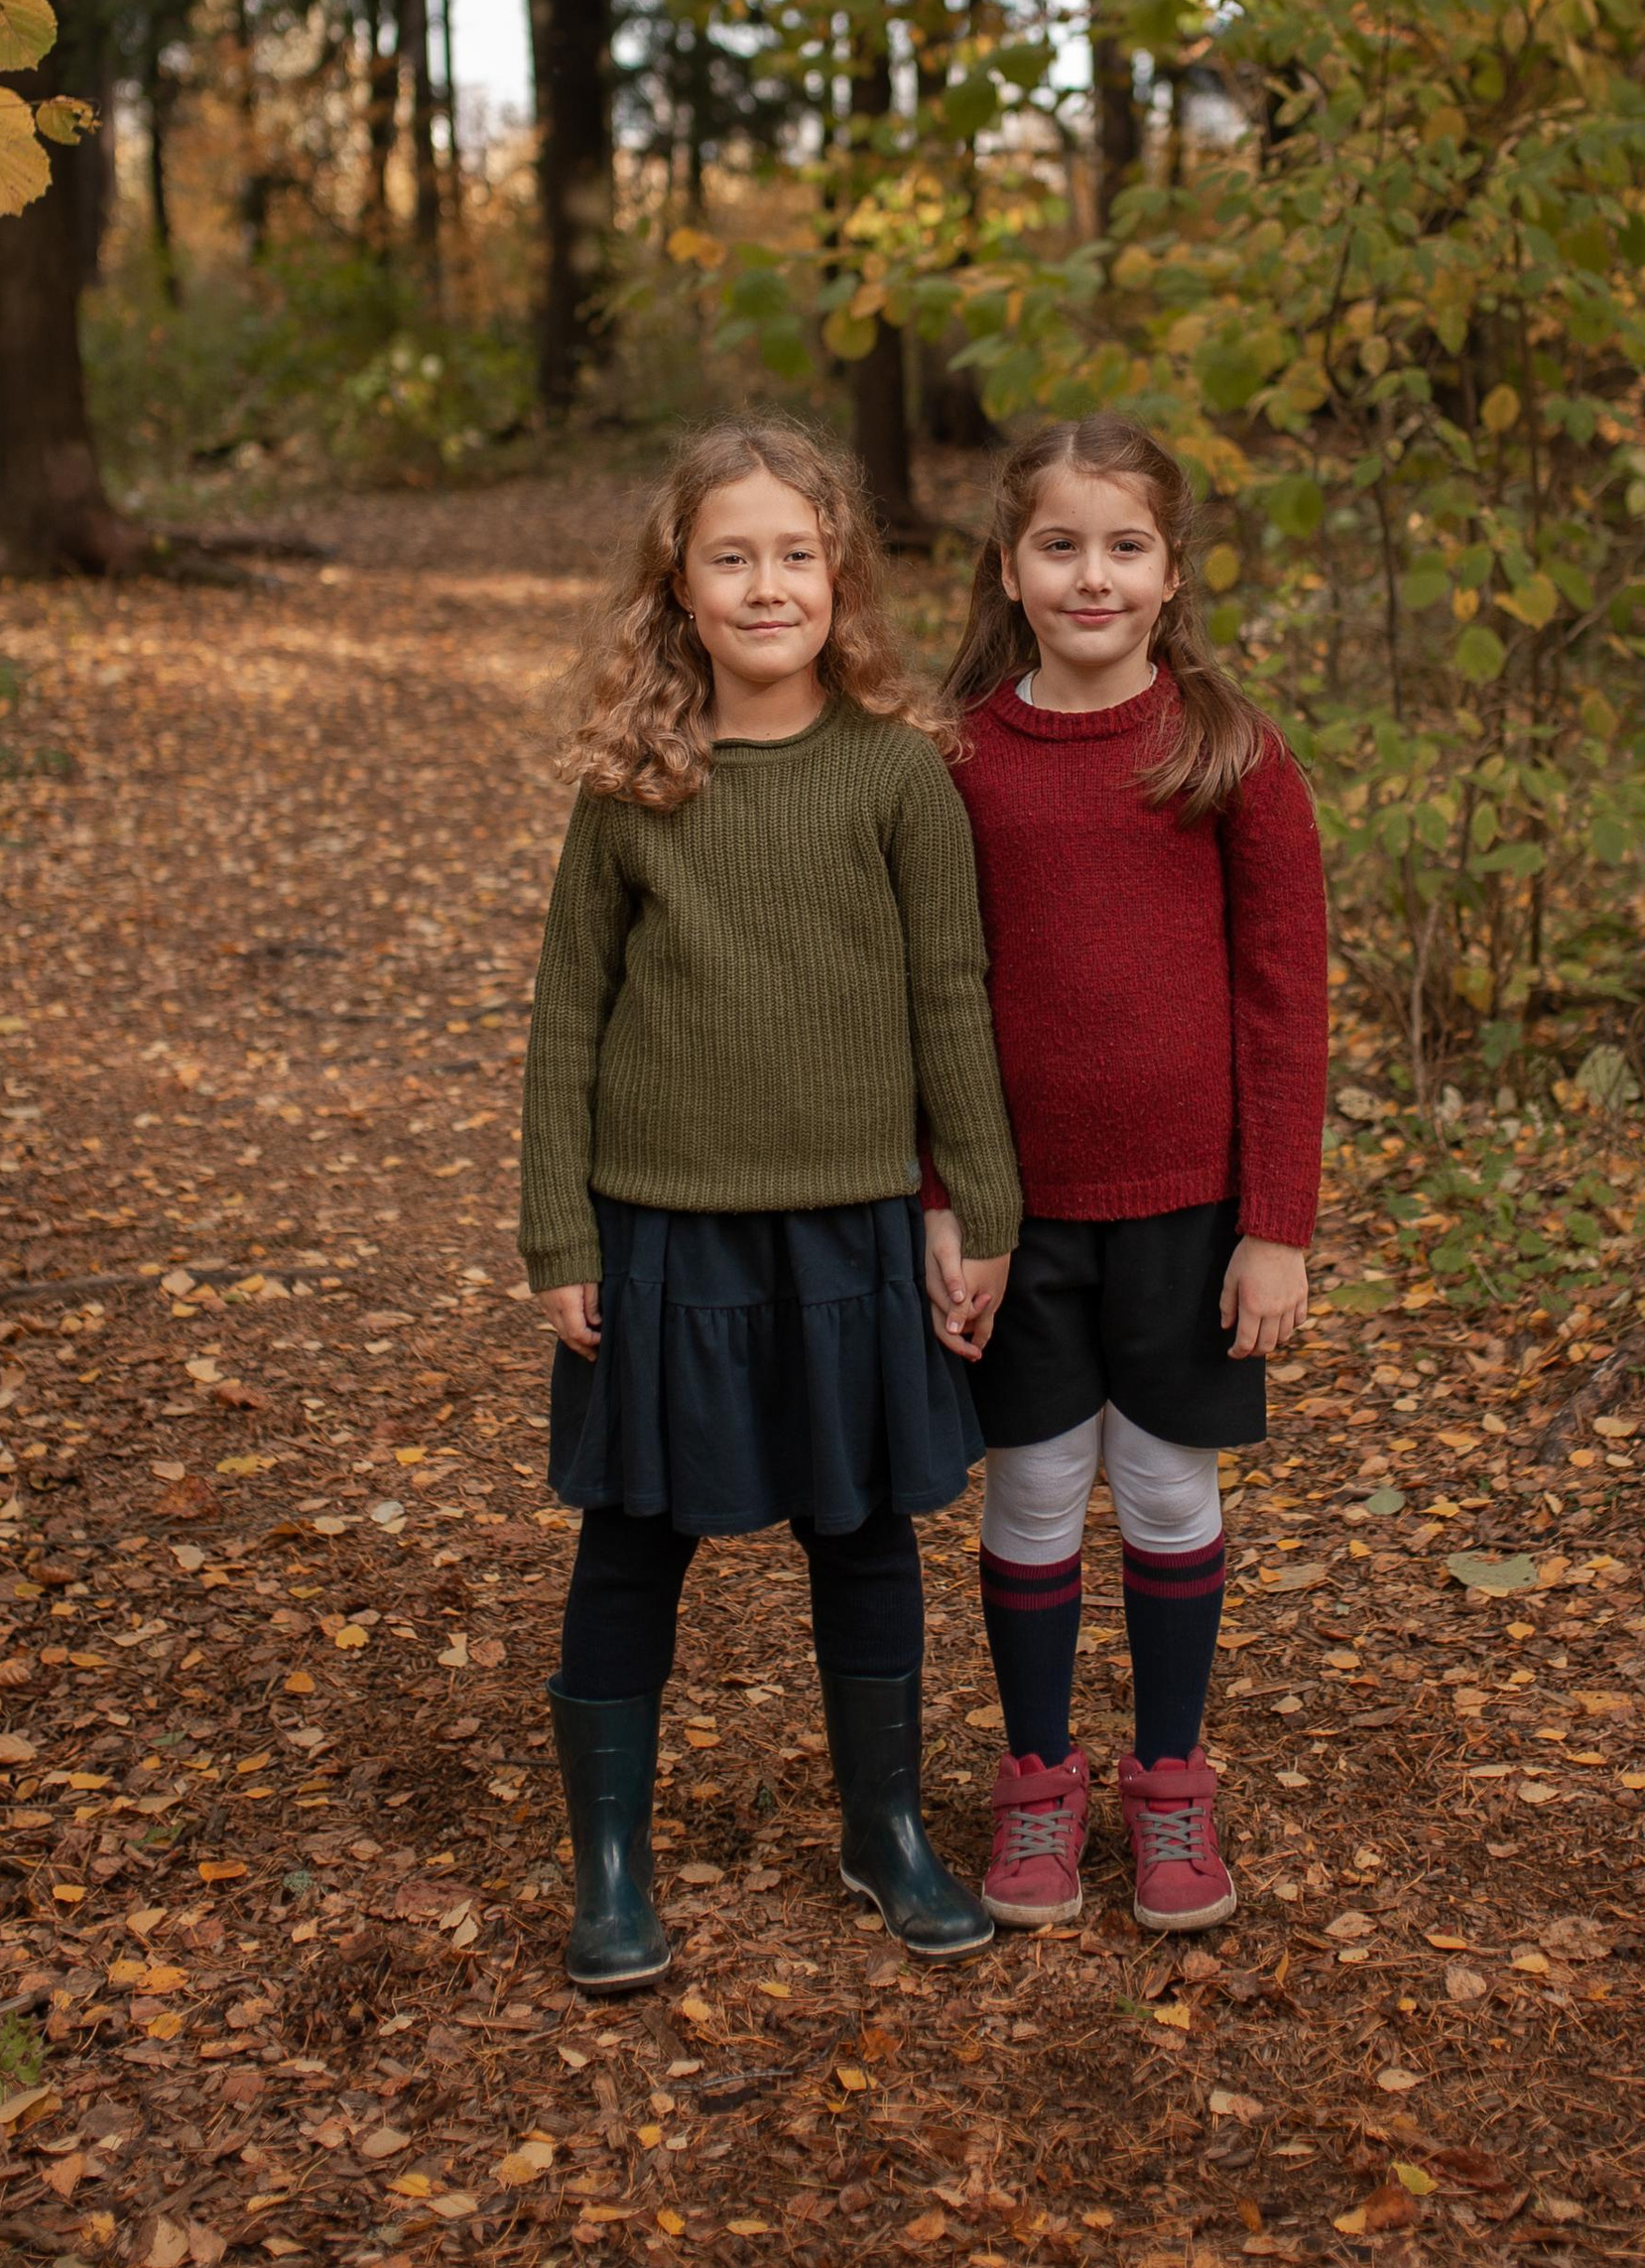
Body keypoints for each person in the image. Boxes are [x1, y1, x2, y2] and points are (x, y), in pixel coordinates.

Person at [521, 417, 1020, 1991]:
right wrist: (559, 1231)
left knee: (865, 1532)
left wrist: (977, 1206)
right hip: (663, 1225)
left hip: (854, 1225)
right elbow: (565, 1018)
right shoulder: (632, 787)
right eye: (731, 555)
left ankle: (884, 1828)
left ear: (842, 575)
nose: (765, 583)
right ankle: (611, 1866)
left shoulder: (896, 772)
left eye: (795, 553)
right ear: (678, 579)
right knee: (630, 1540)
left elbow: (953, 998)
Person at [931, 414, 1328, 1933]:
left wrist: (1275, 1226)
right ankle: (1039, 1777)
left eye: (1125, 545)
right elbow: (933, 993)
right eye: (1060, 543)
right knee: (1031, 1489)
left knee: (1164, 1485)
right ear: (1012, 567)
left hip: (1189, 1207)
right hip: (1015, 1214)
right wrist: (944, 1199)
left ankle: (1171, 1781)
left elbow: (1286, 997)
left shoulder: (1227, 753)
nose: (1092, 574)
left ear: (1169, 573)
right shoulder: (958, 761)